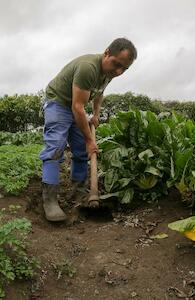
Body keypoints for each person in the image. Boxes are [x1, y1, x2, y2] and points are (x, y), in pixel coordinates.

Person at [39, 37, 137, 221]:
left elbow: (99, 93)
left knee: (81, 150)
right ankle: (50, 200)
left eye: (124, 69)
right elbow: (77, 107)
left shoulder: (109, 73)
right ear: (106, 52)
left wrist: (96, 114)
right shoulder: (88, 68)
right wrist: (90, 140)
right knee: (56, 147)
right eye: (116, 64)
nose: (119, 71)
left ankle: (79, 192)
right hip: (59, 102)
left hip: (77, 105)